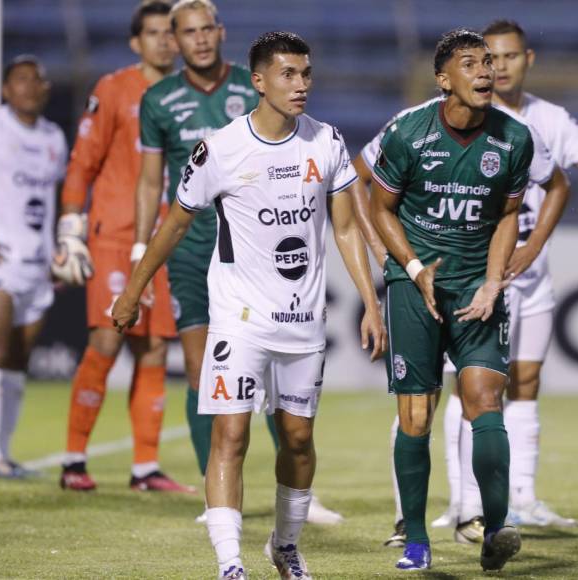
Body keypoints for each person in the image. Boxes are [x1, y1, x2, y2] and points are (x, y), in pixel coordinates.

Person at [113, 31, 385, 580]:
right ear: (258, 81)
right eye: (288, 74)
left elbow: (348, 226)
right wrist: (135, 287)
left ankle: (284, 546)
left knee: (299, 440)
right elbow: (176, 222)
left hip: (304, 320)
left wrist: (371, 301)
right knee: (231, 435)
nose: (301, 84)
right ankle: (229, 562)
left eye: (306, 73)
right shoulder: (220, 149)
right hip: (239, 319)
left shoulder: (325, 141)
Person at [133, 0, 343, 524]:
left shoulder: (261, 92)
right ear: (174, 39)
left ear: (221, 33)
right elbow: (149, 180)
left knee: (282, 389)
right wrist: (141, 254)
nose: (201, 39)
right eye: (189, 31)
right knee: (206, 372)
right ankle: (219, 498)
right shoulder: (158, 100)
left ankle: (293, 493)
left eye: (209, 29)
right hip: (194, 252)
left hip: (261, 253)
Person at [370, 29, 545, 572]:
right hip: (413, 284)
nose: (486, 71)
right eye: (471, 64)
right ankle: (418, 539)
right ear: (444, 80)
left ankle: (496, 529)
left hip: (475, 285)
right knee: (417, 414)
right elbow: (381, 209)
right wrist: (415, 268)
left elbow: (509, 215)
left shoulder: (515, 138)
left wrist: (494, 282)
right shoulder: (407, 133)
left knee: (485, 402)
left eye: (489, 63)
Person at [54, 0, 192, 493]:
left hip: (166, 236)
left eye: (169, 32)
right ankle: (73, 459)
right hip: (114, 232)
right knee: (108, 339)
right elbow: (83, 160)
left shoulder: (189, 95)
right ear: (136, 42)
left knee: (154, 348)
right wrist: (70, 221)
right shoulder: (114, 89)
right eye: (153, 33)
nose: (163, 41)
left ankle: (144, 468)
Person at [0, 55, 67, 478]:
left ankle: (3, 455)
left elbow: (54, 198)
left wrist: (56, 252)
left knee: (17, 357)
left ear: (46, 89)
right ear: (6, 89)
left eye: (37, 79)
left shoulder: (54, 137)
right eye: (20, 80)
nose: (29, 86)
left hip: (38, 262)